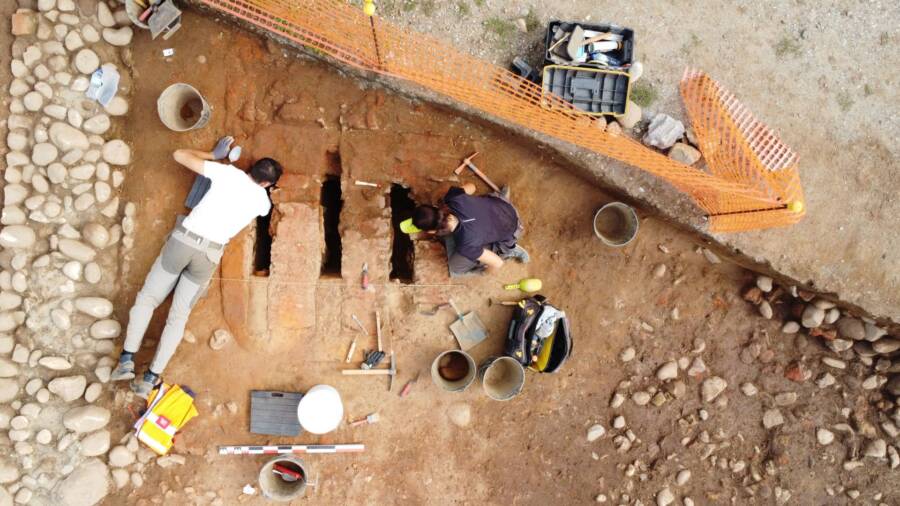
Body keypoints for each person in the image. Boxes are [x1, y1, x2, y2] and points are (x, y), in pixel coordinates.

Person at [111, 137, 282, 398]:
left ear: (251, 168)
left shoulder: (227, 173)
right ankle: (150, 378)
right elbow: (265, 206)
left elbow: (179, 154)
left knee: (148, 298)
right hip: (209, 255)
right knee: (178, 316)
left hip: (184, 241)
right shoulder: (263, 202)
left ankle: (126, 360)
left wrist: (213, 155)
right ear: (268, 184)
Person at [404, 183, 529, 276]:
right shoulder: (453, 197)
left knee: (455, 267)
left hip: (512, 229)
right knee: (482, 212)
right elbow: (472, 187)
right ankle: (500, 199)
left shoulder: (466, 245)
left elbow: (498, 263)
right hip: (503, 206)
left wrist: (485, 273)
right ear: (435, 208)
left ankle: (509, 251)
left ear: (431, 231)